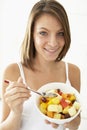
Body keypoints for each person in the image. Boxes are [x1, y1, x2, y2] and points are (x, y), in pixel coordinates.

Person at [0, 0, 81, 130]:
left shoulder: (73, 71)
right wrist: (16, 112)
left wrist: (65, 121)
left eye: (60, 33)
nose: (53, 43)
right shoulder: (13, 71)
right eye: (43, 33)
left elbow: (76, 122)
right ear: (32, 34)